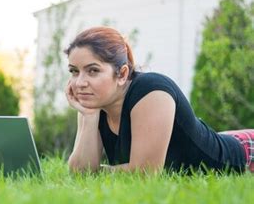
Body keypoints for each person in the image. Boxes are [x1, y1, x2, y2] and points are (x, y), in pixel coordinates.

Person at [65, 26, 253, 174]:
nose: (80, 83)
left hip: (245, 155)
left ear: (122, 74)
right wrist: (89, 117)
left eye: (93, 70)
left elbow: (144, 173)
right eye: (74, 71)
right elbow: (81, 172)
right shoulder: (94, 104)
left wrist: (99, 172)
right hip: (222, 137)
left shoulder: (151, 90)